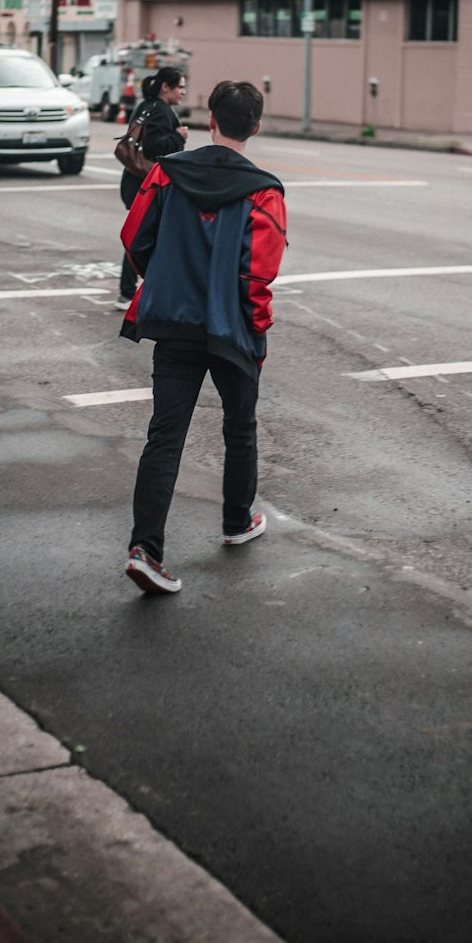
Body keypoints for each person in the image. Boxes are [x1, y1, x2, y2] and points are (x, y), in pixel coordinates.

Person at [119, 80, 287, 595]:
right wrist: (256, 328)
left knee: (164, 435)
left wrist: (165, 277)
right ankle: (237, 522)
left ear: (210, 118)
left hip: (174, 321)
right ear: (255, 126)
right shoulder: (265, 190)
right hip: (231, 329)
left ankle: (146, 549)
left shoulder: (167, 173)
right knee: (240, 428)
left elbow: (133, 237)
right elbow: (257, 275)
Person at [117, 67, 189, 308]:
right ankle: (131, 293)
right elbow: (155, 149)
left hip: (133, 182)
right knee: (149, 238)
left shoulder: (145, 105)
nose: (183, 91)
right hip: (148, 186)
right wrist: (179, 136)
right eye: (179, 86)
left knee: (145, 236)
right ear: (165, 87)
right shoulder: (162, 111)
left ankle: (131, 292)